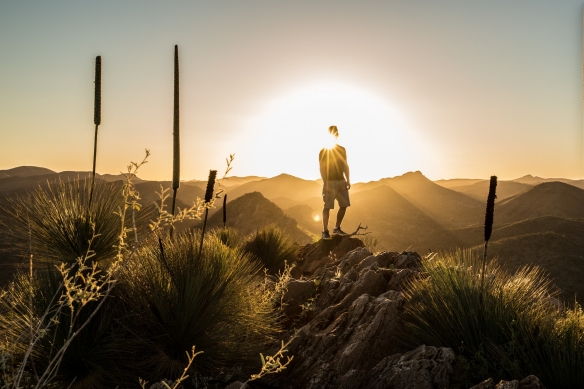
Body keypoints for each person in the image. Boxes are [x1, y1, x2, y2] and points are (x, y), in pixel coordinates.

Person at [319, 125, 351, 240]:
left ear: (337, 135)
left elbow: (345, 165)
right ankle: (325, 231)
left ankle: (337, 228)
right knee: (327, 206)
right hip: (330, 182)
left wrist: (348, 180)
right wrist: (325, 182)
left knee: (344, 205)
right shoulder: (323, 151)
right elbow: (322, 168)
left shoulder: (342, 149)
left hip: (341, 181)